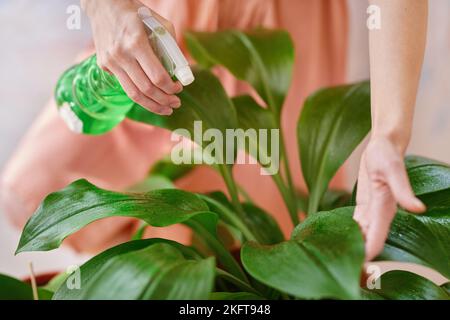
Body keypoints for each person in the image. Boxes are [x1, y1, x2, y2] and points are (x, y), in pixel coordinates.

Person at [0, 0, 428, 261]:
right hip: (155, 25)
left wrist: (388, 134)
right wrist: (104, 6)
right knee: (63, 186)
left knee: (246, 246)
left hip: (279, 27)